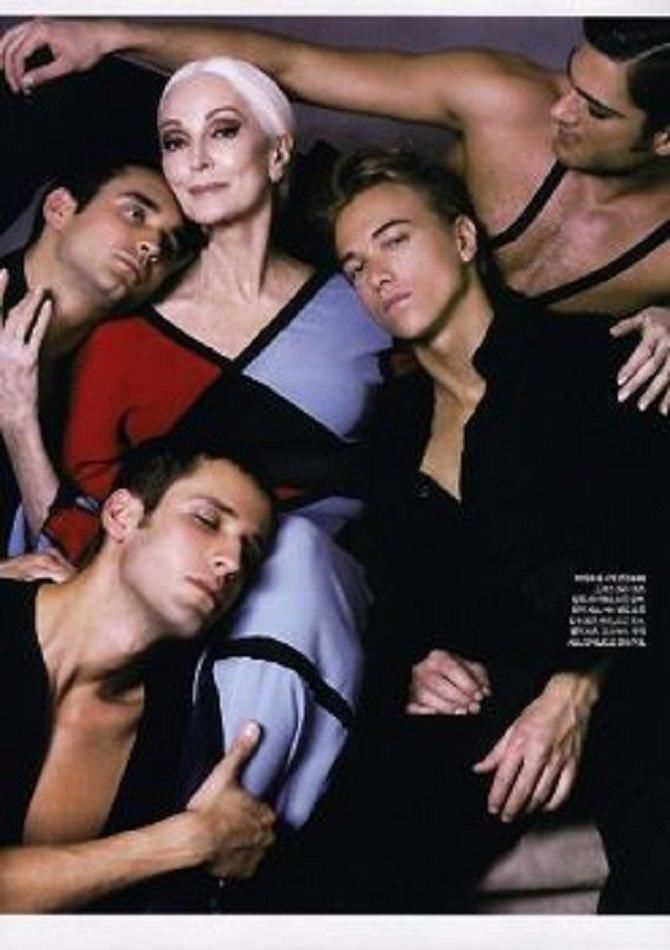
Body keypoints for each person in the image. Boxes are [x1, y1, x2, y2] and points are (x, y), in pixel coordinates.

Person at [252, 148, 666, 914]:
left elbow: (648, 539)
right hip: (496, 693)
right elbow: (401, 594)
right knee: (331, 860)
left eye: (395, 239)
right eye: (354, 266)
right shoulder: (392, 430)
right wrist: (416, 664)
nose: (377, 275)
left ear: (465, 239)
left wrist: (573, 690)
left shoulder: (592, 357)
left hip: (628, 667)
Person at [32, 58, 388, 883]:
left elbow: (446, 440)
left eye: (222, 132)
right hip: (156, 593)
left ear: (278, 151)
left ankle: (226, 866)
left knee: (295, 553)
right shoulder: (124, 334)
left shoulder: (366, 303)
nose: (193, 159)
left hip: (320, 591)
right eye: (174, 140)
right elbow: (92, 502)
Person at [1, 17, 668, 408]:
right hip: (349, 244)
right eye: (571, 78)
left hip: (448, 370)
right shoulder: (506, 99)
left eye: (595, 109)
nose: (561, 108)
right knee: (98, 91)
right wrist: (110, 33)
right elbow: (292, 65)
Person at [0, 438, 277, 913]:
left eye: (248, 554)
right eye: (206, 520)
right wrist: (186, 843)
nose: (230, 562)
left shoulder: (173, 727)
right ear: (121, 515)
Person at [0, 160, 197, 554]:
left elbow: (73, 553)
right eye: (135, 214)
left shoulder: (110, 374)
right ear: (60, 208)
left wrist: (20, 422)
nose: (153, 246)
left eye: (170, 245)